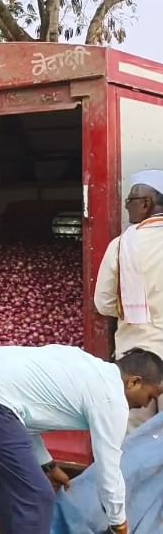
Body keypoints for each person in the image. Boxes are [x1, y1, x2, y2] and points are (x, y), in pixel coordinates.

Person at [0, 345, 163, 534]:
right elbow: (109, 469)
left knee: (13, 488)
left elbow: (25, 416)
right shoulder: (111, 399)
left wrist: (48, 466)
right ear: (134, 382)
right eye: (150, 396)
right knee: (36, 495)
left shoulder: (94, 370)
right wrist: (119, 523)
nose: (147, 405)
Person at [95, 169, 163, 433]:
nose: (127, 209)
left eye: (130, 202)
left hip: (137, 362)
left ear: (145, 204)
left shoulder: (123, 244)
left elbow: (103, 303)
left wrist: (133, 309)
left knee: (135, 439)